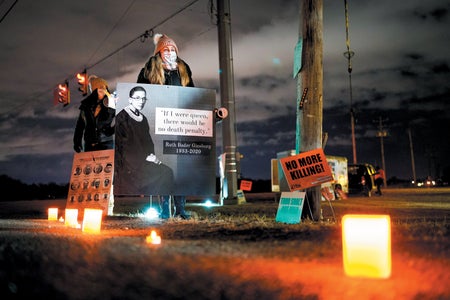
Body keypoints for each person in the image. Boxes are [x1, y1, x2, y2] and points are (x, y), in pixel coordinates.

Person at [137, 33, 194, 219]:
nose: (169, 52)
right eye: (165, 49)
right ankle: (164, 210)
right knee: (163, 167)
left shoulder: (183, 71)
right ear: (159, 52)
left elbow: (193, 95)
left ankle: (181, 208)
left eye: (172, 49)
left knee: (180, 169)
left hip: (180, 125)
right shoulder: (148, 70)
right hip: (158, 126)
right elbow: (140, 93)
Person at [114, 86, 175, 218]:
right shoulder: (122, 118)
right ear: (130, 100)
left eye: (143, 98)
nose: (141, 101)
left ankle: (165, 209)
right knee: (165, 173)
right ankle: (164, 211)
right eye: (137, 98)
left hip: (144, 160)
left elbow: (148, 142)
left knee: (167, 172)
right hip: (130, 164)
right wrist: (144, 158)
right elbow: (124, 146)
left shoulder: (143, 118)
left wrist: (152, 156)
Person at [73, 76, 115, 152]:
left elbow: (122, 118)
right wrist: (77, 142)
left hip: (106, 142)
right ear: (94, 89)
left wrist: (112, 130)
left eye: (104, 87)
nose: (103, 89)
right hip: (89, 143)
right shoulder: (86, 105)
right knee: (89, 164)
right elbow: (80, 125)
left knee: (106, 164)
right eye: (100, 87)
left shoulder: (112, 103)